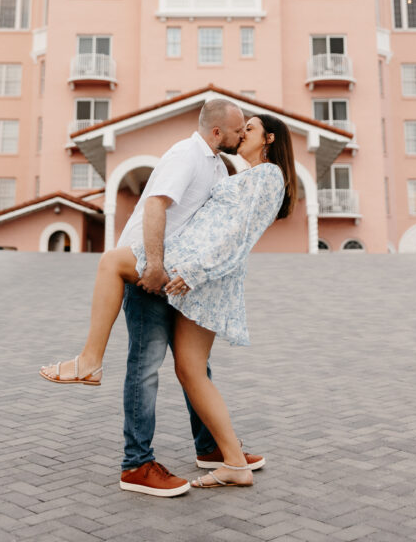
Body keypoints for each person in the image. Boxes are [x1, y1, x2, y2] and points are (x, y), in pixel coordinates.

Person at [40, 103, 297, 494]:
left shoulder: (265, 175)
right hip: (197, 269)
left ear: (270, 139)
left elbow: (234, 235)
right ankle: (229, 458)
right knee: (192, 370)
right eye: (239, 128)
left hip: (191, 269)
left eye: (250, 128)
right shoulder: (227, 168)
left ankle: (90, 362)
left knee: (111, 263)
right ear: (216, 132)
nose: (243, 134)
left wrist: (190, 272)